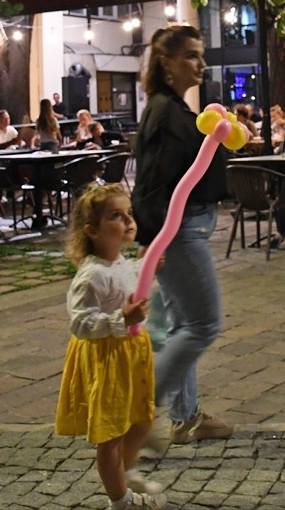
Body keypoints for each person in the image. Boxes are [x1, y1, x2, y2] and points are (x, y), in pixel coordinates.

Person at [131, 24, 233, 445]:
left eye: (200, 54)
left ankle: (185, 418)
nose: (201, 63)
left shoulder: (170, 108)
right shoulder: (166, 113)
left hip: (183, 228)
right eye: (191, 55)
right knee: (204, 324)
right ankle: (141, 418)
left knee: (182, 326)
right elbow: (152, 183)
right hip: (179, 231)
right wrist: (155, 242)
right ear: (166, 62)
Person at [55, 184, 165, 510]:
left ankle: (124, 474)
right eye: (116, 216)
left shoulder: (119, 262)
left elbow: (127, 278)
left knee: (141, 420)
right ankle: (119, 500)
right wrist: (120, 318)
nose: (128, 221)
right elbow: (80, 322)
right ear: (92, 231)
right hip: (107, 356)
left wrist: (145, 267)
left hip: (132, 351)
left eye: (128, 213)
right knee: (111, 435)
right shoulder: (91, 275)